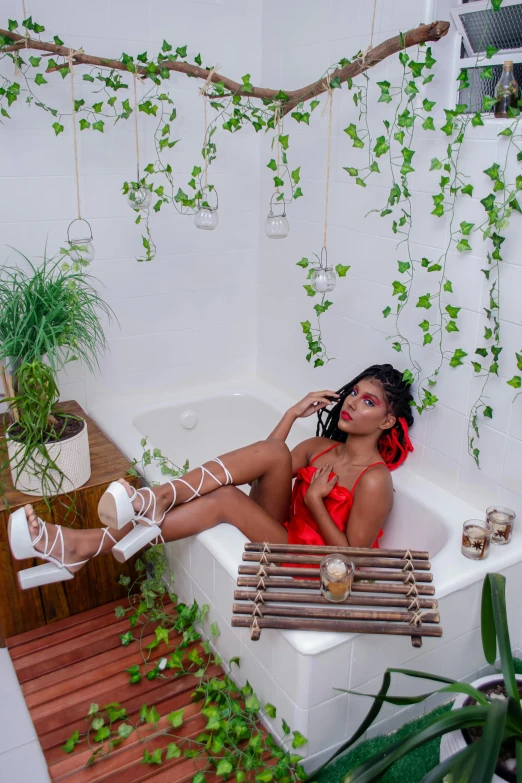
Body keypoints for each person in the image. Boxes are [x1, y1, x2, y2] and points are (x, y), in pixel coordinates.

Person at [8, 364, 414, 589]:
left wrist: (313, 503)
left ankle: (90, 540)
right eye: (353, 393)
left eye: (369, 401)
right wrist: (291, 415)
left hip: (315, 563)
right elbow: (264, 466)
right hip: (284, 529)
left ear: (388, 420)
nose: (352, 403)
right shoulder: (319, 449)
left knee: (224, 499)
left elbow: (353, 562)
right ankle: (154, 500)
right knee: (267, 458)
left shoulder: (375, 479)